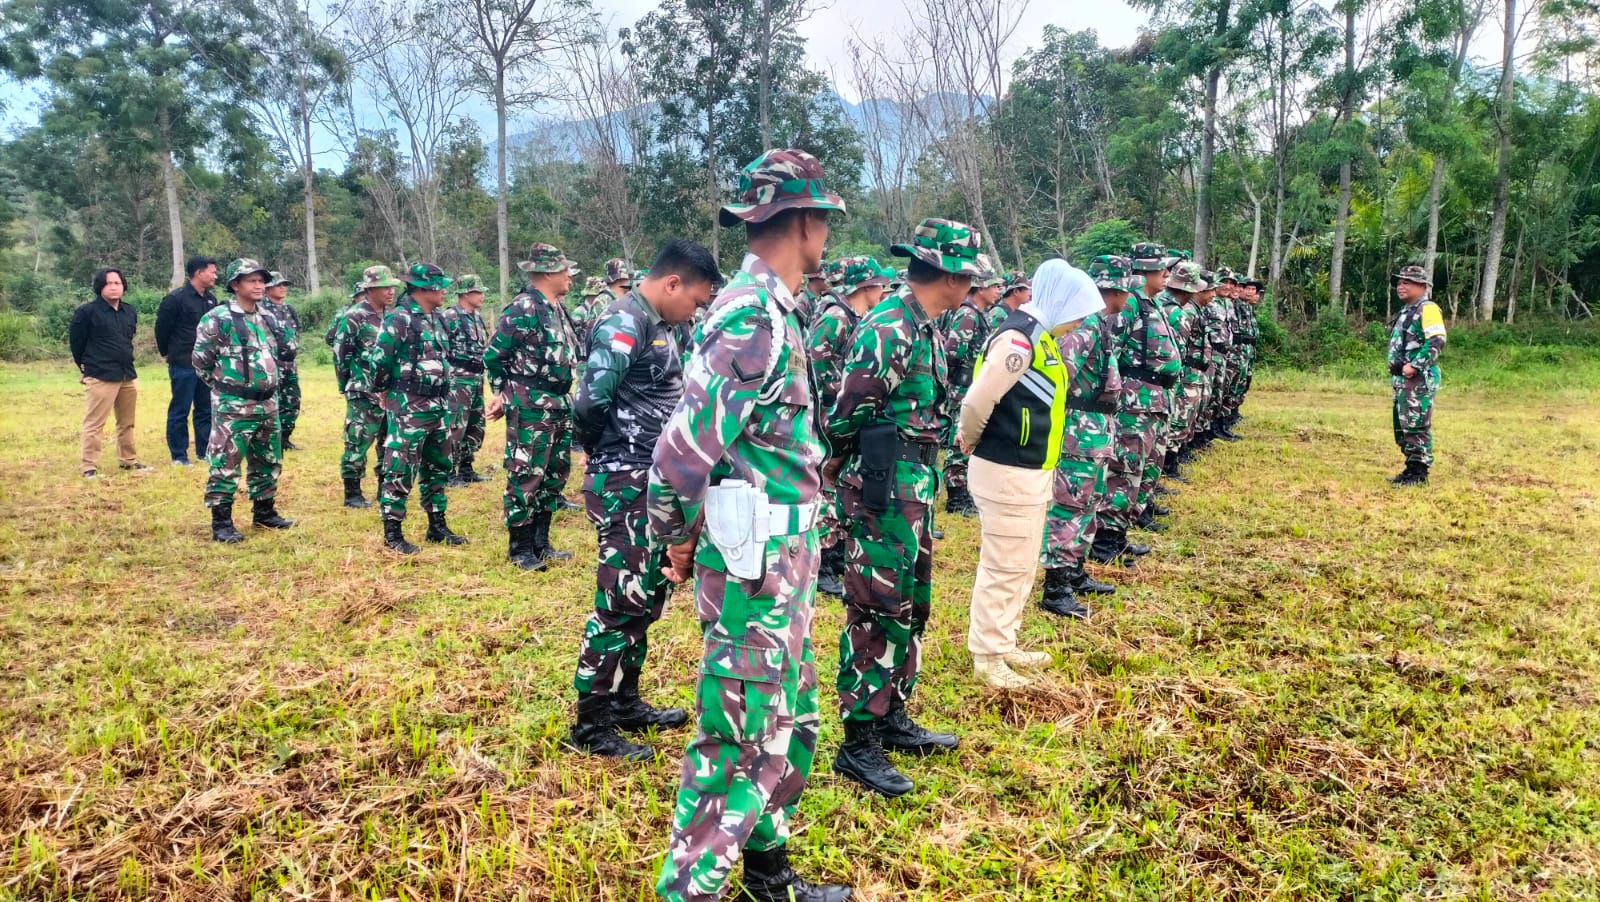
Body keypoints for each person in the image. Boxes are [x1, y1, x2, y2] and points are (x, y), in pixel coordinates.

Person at [650, 148, 852, 902]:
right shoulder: (748, 316)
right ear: (803, 221)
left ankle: (768, 874)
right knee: (735, 738)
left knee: (790, 720)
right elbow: (679, 454)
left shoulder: (777, 310)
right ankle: (687, 891)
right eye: (823, 220)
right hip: (753, 561)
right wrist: (676, 537)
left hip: (785, 553)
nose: (825, 234)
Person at [825, 219, 981, 798]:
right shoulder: (889, 327)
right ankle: (858, 742)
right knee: (875, 609)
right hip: (883, 487)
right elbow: (846, 414)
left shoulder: (926, 326)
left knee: (910, 606)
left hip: (915, 481)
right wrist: (840, 468)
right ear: (946, 273)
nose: (970, 284)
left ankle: (891, 714)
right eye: (966, 274)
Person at [566, 239, 720, 761]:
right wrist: (608, 455)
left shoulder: (658, 325)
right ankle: (590, 724)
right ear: (672, 283)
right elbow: (589, 403)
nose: (696, 311)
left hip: (649, 478)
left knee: (645, 596)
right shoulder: (623, 321)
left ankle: (625, 701)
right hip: (625, 479)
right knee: (618, 602)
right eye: (696, 301)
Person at [956, 258, 1081, 689]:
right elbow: (977, 401)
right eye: (1077, 313)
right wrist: (969, 439)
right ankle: (988, 656)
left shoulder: (1040, 337)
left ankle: (1003, 641)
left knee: (1022, 563)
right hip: (1006, 468)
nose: (1079, 323)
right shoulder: (1019, 339)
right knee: (1004, 565)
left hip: (1028, 470)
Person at [485, 243, 581, 570]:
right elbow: (495, 356)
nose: (569, 275)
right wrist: (501, 394)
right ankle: (520, 548)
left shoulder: (557, 307)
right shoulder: (523, 308)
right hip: (530, 405)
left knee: (554, 474)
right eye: (564, 269)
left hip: (559, 402)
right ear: (547, 273)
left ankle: (541, 543)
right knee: (526, 474)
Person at [1038, 258, 1124, 620]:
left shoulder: (1097, 323)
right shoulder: (1085, 326)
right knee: (1071, 504)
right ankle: (1056, 586)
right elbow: (1059, 375)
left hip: (1096, 426)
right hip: (1079, 429)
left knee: (1090, 502)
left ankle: (1074, 571)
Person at [364, 263, 465, 553]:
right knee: (401, 465)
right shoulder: (400, 318)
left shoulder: (438, 318)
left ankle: (437, 524)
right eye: (439, 286)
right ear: (423, 289)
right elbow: (380, 360)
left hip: (439, 403)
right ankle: (393, 533)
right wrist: (384, 391)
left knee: (438, 464)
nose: (444, 290)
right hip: (410, 404)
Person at [191, 259, 294, 542]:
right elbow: (201, 362)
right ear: (235, 285)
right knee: (226, 462)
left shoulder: (268, 316)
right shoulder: (218, 318)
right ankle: (222, 523)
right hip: (234, 405)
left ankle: (264, 512)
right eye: (251, 280)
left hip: (268, 403)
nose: (259, 285)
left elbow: (289, 349)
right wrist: (228, 391)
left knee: (268, 459)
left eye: (262, 280)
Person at [807, 255, 891, 600]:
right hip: (828, 413)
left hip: (839, 410)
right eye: (879, 285)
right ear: (866, 286)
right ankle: (824, 563)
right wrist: (838, 394)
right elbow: (814, 361)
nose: (883, 290)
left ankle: (837, 553)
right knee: (824, 485)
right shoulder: (836, 317)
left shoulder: (855, 316)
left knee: (839, 485)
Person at [334, 266, 402, 508]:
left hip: (390, 392)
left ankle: (385, 486)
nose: (391, 291)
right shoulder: (354, 316)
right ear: (370, 289)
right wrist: (347, 385)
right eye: (385, 287)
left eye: (393, 286)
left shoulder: (392, 315)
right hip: (363, 391)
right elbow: (341, 354)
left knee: (389, 441)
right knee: (358, 441)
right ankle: (352, 492)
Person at [70, 268, 148, 478]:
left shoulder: (129, 311)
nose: (114, 287)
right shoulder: (86, 312)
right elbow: (77, 344)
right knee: (95, 423)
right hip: (100, 374)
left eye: (118, 283)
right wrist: (85, 368)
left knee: (127, 422)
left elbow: (128, 339)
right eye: (109, 283)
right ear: (100, 287)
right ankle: (89, 467)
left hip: (127, 374)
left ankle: (128, 461)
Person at [940, 263, 1002, 517]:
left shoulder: (977, 313)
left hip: (969, 386)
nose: (998, 291)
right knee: (959, 441)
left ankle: (963, 493)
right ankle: (956, 498)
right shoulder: (968, 314)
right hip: (961, 387)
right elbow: (953, 352)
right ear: (980, 288)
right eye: (994, 286)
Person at [155, 255, 219, 466]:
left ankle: (204, 452)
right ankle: (179, 456)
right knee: (180, 409)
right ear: (199, 273)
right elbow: (162, 330)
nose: (215, 275)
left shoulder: (211, 300)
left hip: (207, 364)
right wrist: (169, 354)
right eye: (212, 271)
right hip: (183, 362)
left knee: (205, 409)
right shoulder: (175, 299)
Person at [1387, 265, 1446, 485]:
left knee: (1416, 425)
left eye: (1406, 282)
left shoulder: (1427, 308)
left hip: (1418, 380)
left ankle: (1419, 474)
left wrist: (1415, 365)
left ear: (1422, 286)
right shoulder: (1406, 310)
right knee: (1403, 427)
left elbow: (1437, 340)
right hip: (1403, 382)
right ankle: (1411, 469)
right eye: (1399, 283)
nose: (1400, 286)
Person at [441, 274, 492, 486]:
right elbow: (442, 349)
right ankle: (447, 472)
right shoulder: (450, 317)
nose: (481, 296)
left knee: (475, 423)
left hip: (476, 378)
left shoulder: (477, 317)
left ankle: (466, 467)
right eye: (477, 292)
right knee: (455, 425)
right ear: (465, 294)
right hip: (458, 379)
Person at [260, 272, 302, 451]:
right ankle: (270, 439)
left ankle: (285, 437)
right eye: (279, 285)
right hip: (272, 364)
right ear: (268, 288)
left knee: (292, 402)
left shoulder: (288, 309)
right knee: (271, 402)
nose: (283, 287)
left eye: (284, 284)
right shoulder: (261, 309)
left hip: (289, 364)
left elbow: (297, 330)